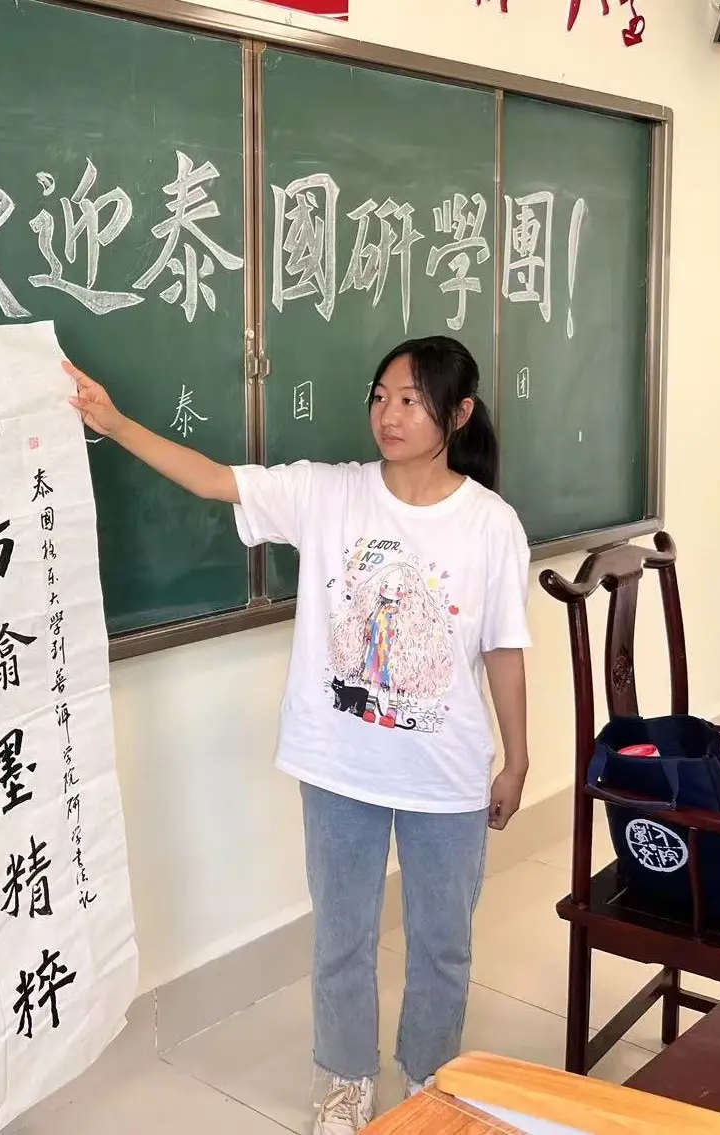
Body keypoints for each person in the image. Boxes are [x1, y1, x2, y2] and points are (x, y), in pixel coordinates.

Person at [69, 337, 530, 1134]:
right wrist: (111, 421)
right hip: (341, 763)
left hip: (446, 770)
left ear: (458, 413)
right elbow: (214, 479)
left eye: (412, 400)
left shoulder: (491, 524)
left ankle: (430, 1079)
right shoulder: (328, 492)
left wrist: (517, 758)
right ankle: (345, 1080)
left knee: (443, 943)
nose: (389, 414)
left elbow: (504, 649)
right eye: (380, 396)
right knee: (343, 936)